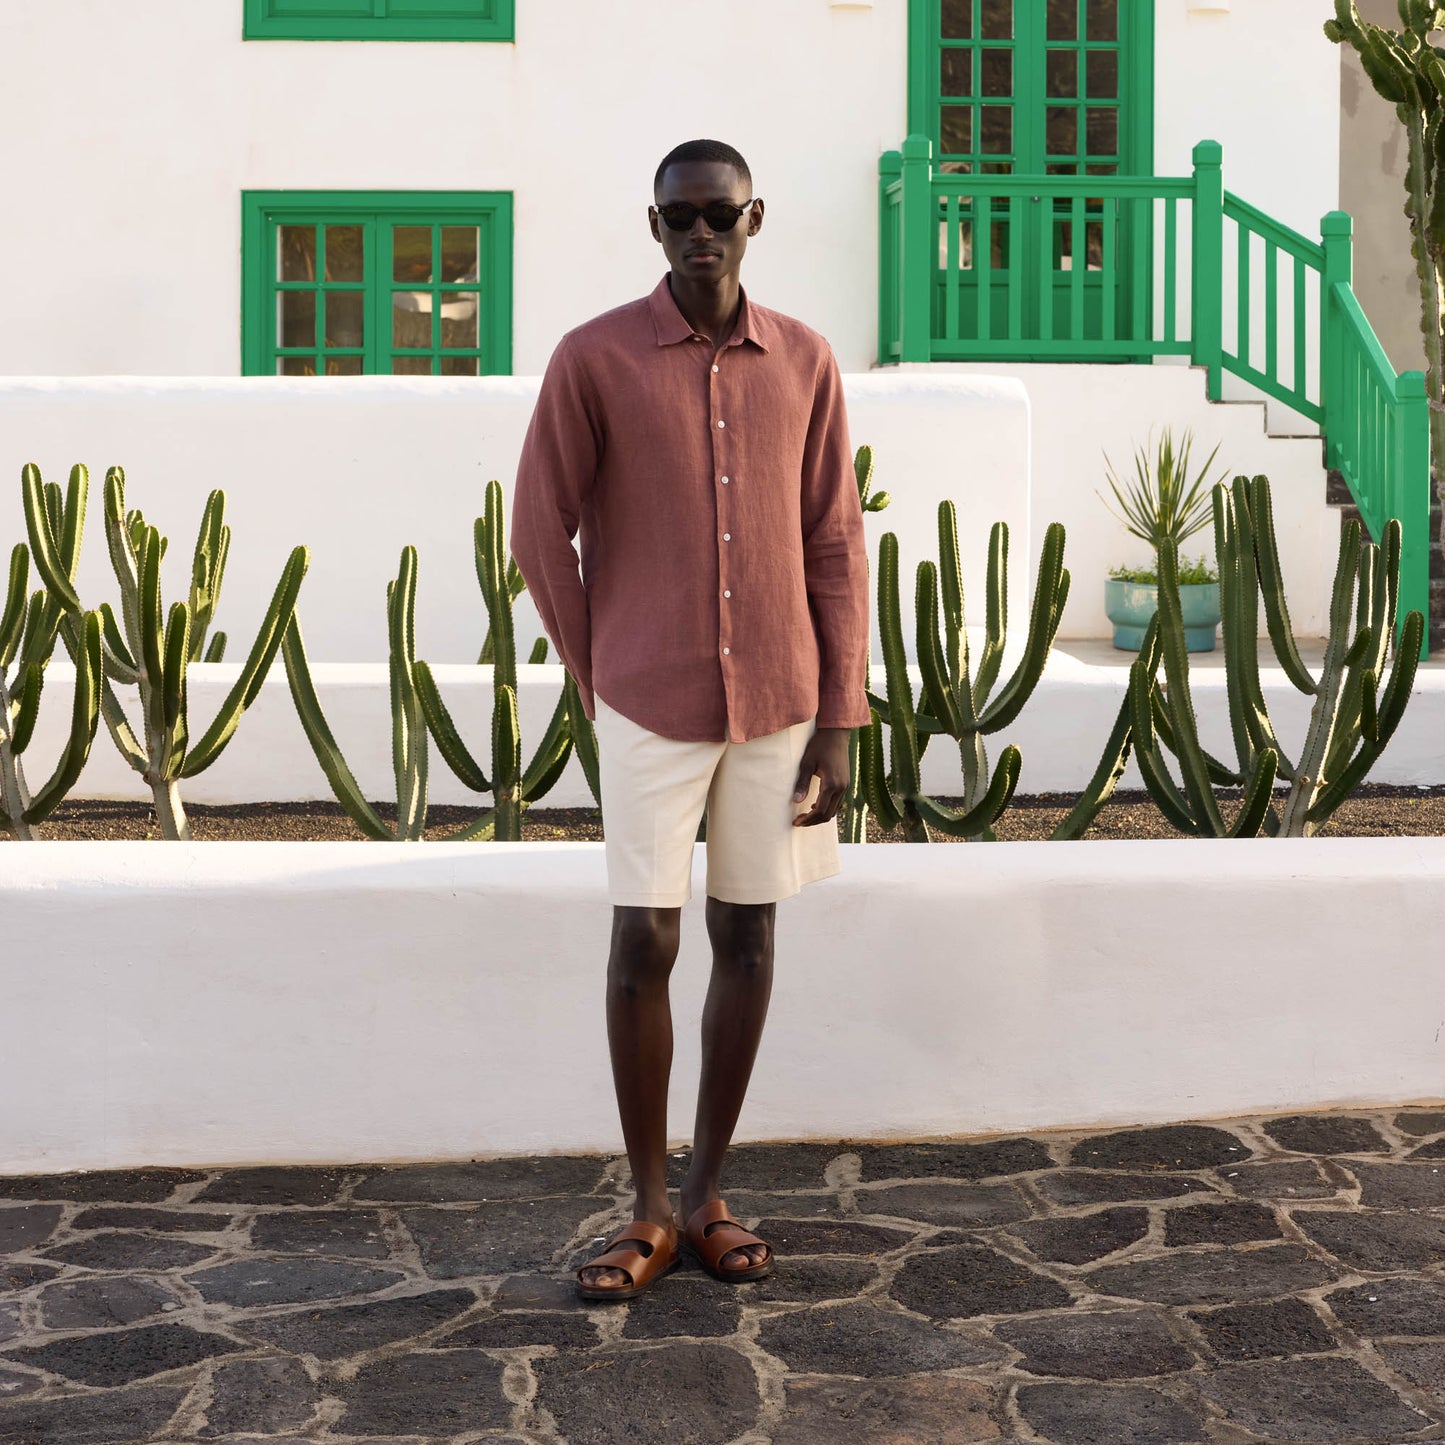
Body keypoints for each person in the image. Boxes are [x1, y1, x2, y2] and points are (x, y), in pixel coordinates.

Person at [509, 138, 870, 1301]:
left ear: (753, 217)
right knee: (643, 941)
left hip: (778, 695)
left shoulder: (805, 360)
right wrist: (596, 667)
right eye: (680, 217)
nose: (699, 232)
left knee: (748, 932)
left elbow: (833, 538)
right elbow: (537, 526)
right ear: (653, 225)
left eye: (719, 213)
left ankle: (708, 1192)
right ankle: (648, 1208)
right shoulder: (593, 358)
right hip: (648, 697)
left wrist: (840, 716)